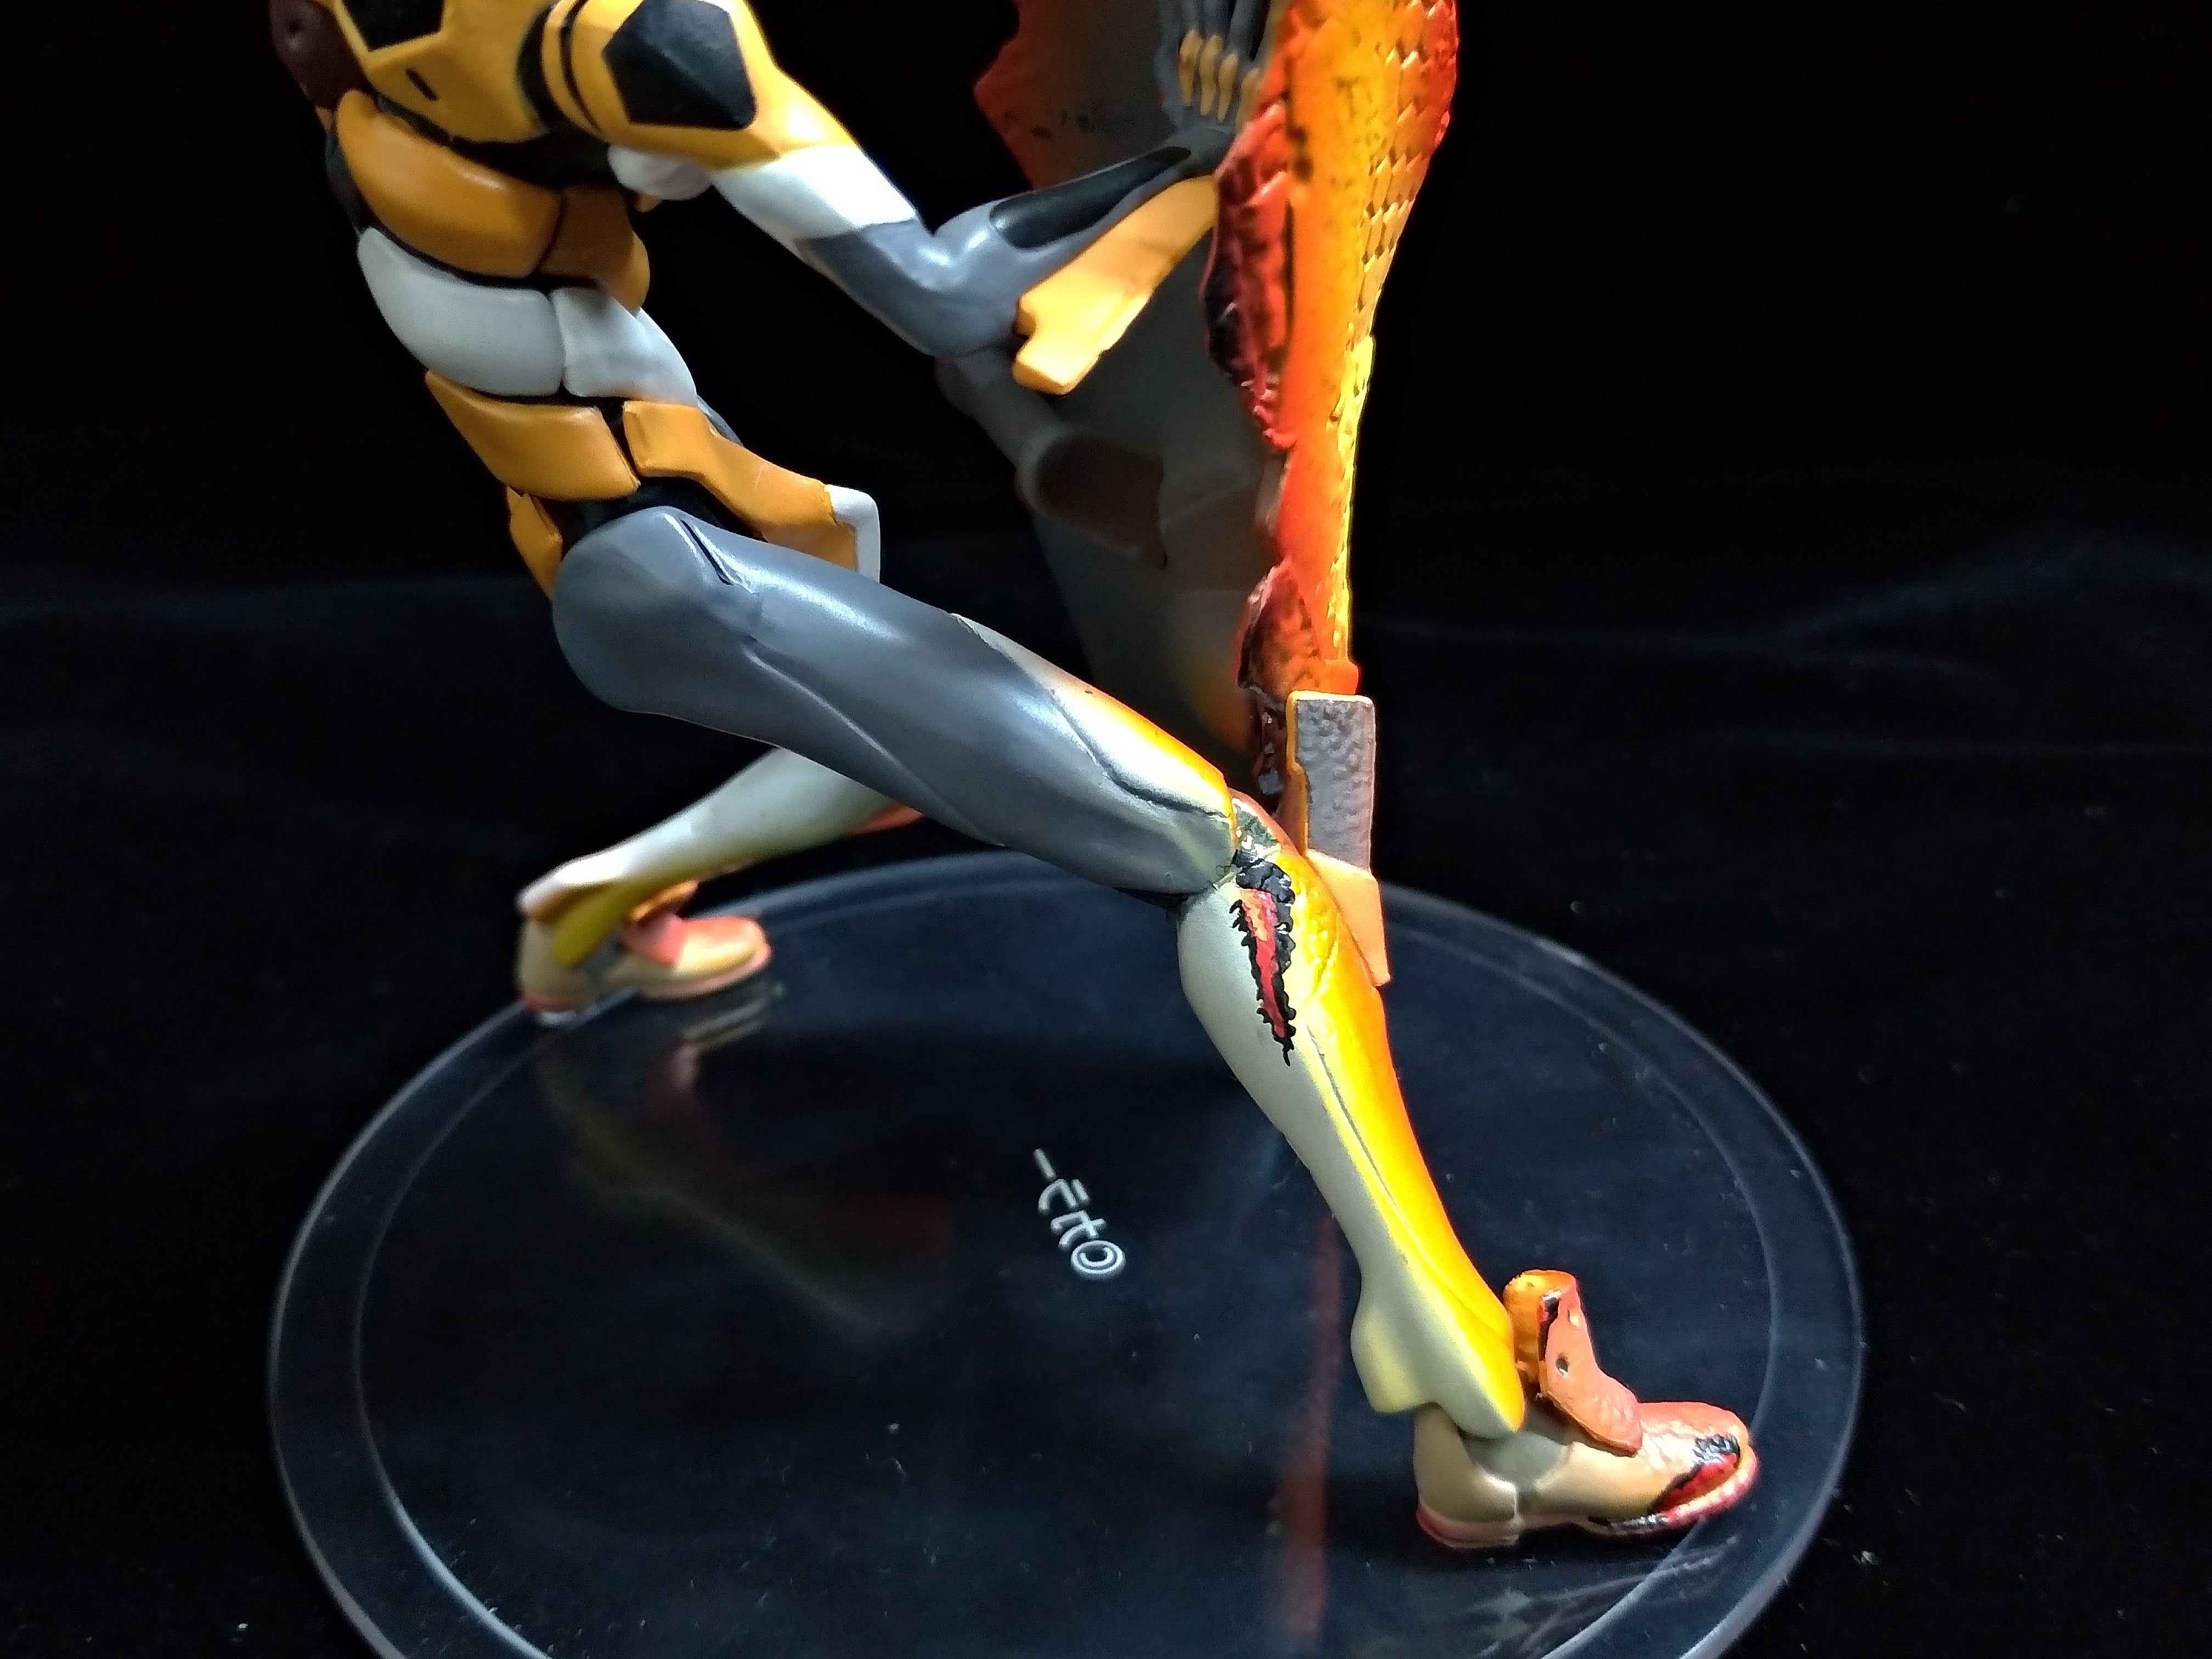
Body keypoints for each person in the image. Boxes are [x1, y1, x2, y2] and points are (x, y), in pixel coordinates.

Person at [272, 0, 1757, 1543]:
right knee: (1238, 865)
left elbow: (608, 187)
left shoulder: (363, 32)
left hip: (628, 551)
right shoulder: (639, 30)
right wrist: (1192, 159)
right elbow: (943, 295)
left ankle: (583, 915)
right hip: (683, 572)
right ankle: (1483, 1428)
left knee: (888, 764)